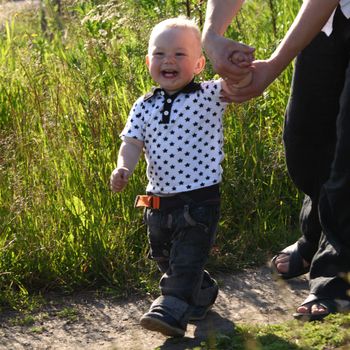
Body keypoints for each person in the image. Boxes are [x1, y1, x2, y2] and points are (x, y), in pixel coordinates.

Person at [202, 0, 350, 321]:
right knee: (305, 140)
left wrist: (273, 65)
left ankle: (336, 274)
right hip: (332, 17)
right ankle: (317, 234)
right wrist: (212, 35)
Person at [110, 17, 249, 337]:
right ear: (148, 61)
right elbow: (131, 144)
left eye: (180, 54)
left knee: (186, 258)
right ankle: (200, 291)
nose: (168, 60)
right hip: (156, 198)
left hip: (200, 198)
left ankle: (170, 309)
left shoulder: (208, 95)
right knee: (163, 255)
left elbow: (240, 85)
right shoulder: (143, 105)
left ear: (200, 63)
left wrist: (236, 65)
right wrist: (123, 169)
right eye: (159, 54)